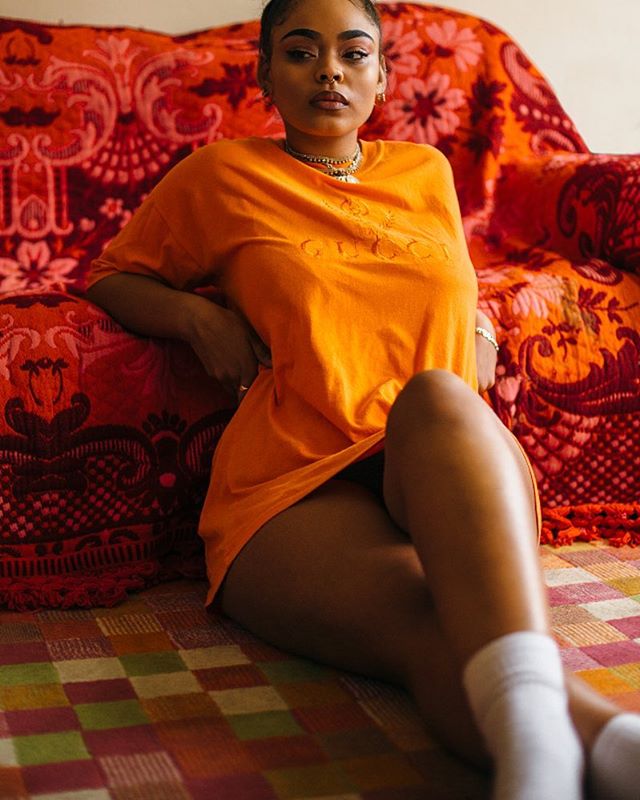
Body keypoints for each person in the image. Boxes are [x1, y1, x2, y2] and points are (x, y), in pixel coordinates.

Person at [87, 0, 640, 797]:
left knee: (437, 395)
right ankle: (570, 762)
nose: (329, 72)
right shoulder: (220, 176)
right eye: (301, 53)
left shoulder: (425, 172)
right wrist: (196, 316)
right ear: (266, 75)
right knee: (435, 629)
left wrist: (480, 331)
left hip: (435, 451)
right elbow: (114, 275)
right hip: (296, 474)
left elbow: (452, 294)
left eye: (353, 54)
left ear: (381, 78)